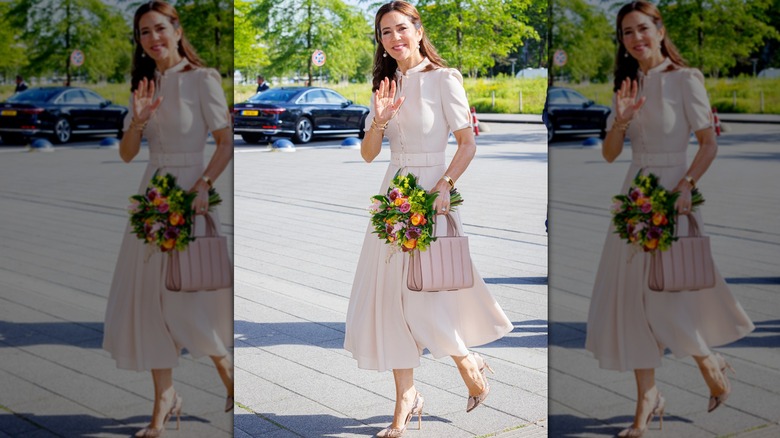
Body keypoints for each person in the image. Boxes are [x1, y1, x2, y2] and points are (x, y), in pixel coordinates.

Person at [343, 2, 514, 437]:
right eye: (384, 32)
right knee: (391, 299)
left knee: (422, 292)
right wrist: (378, 123)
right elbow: (366, 155)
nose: (394, 38)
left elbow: (466, 143)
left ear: (418, 31)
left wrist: (445, 186)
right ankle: (406, 398)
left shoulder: (444, 78)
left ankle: (465, 359)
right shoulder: (384, 84)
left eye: (401, 28)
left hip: (432, 193)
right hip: (392, 194)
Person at [584, 2, 754, 437]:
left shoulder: (686, 79)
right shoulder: (626, 83)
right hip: (633, 194)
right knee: (633, 300)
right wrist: (619, 122)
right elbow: (607, 155)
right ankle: (647, 399)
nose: (635, 38)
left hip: (673, 194)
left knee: (664, 292)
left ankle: (707, 360)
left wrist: (685, 186)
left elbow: (708, 143)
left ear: (659, 31)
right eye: (626, 32)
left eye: (642, 28)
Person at [101, 1, 234, 436]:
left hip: (190, 193)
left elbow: (224, 142)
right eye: (143, 32)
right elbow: (124, 155)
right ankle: (164, 400)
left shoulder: (202, 79)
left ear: (177, 30)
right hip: (151, 195)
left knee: (186, 291)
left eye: (159, 28)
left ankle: (227, 371)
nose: (152, 38)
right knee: (151, 301)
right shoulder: (144, 83)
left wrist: (202, 187)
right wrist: (137, 122)